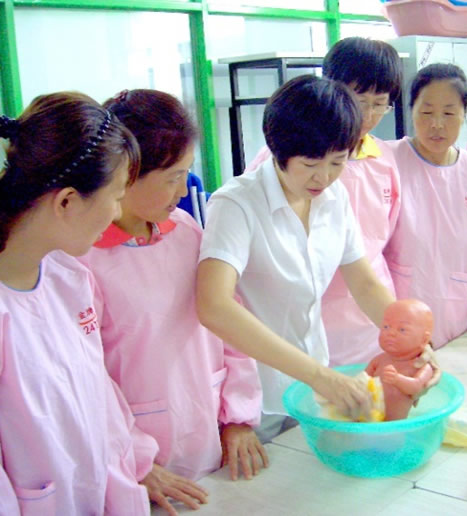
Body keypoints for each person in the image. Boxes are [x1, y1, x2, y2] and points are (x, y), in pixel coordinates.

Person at [79, 90, 266, 507]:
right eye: (171, 178)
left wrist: (237, 418)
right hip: (135, 466)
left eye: (187, 174)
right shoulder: (86, 259)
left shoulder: (187, 232)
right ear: (127, 173)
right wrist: (136, 460)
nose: (183, 191)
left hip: (209, 444)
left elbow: (230, 325)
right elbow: (88, 379)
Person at [196, 75, 397, 442]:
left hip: (311, 391)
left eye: (337, 162)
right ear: (278, 151)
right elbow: (213, 305)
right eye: (310, 164)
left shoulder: (334, 198)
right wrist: (320, 377)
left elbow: (364, 283)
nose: (324, 177)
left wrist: (409, 340)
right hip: (254, 402)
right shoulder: (236, 204)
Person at [0, 92, 151, 514]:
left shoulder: (70, 278)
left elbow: (97, 401)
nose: (118, 212)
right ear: (67, 201)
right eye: (116, 196)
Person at [247, 37, 404, 366]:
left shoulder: (384, 160)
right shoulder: (282, 159)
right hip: (304, 318)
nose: (368, 115)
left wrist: (401, 329)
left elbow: (381, 242)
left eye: (380, 104)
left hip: (368, 316)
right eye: (360, 100)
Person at [384, 63, 467, 346]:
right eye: (427, 112)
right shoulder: (387, 161)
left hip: (455, 313)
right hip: (398, 305)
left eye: (448, 113)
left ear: (465, 113)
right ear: (411, 110)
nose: (437, 124)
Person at [366, 299, 435, 421]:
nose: (391, 333)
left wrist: (397, 380)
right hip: (367, 416)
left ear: (424, 339)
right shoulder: (379, 360)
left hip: (395, 423)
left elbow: (417, 387)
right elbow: (362, 380)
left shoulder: (421, 365)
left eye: (402, 329)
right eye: (386, 327)